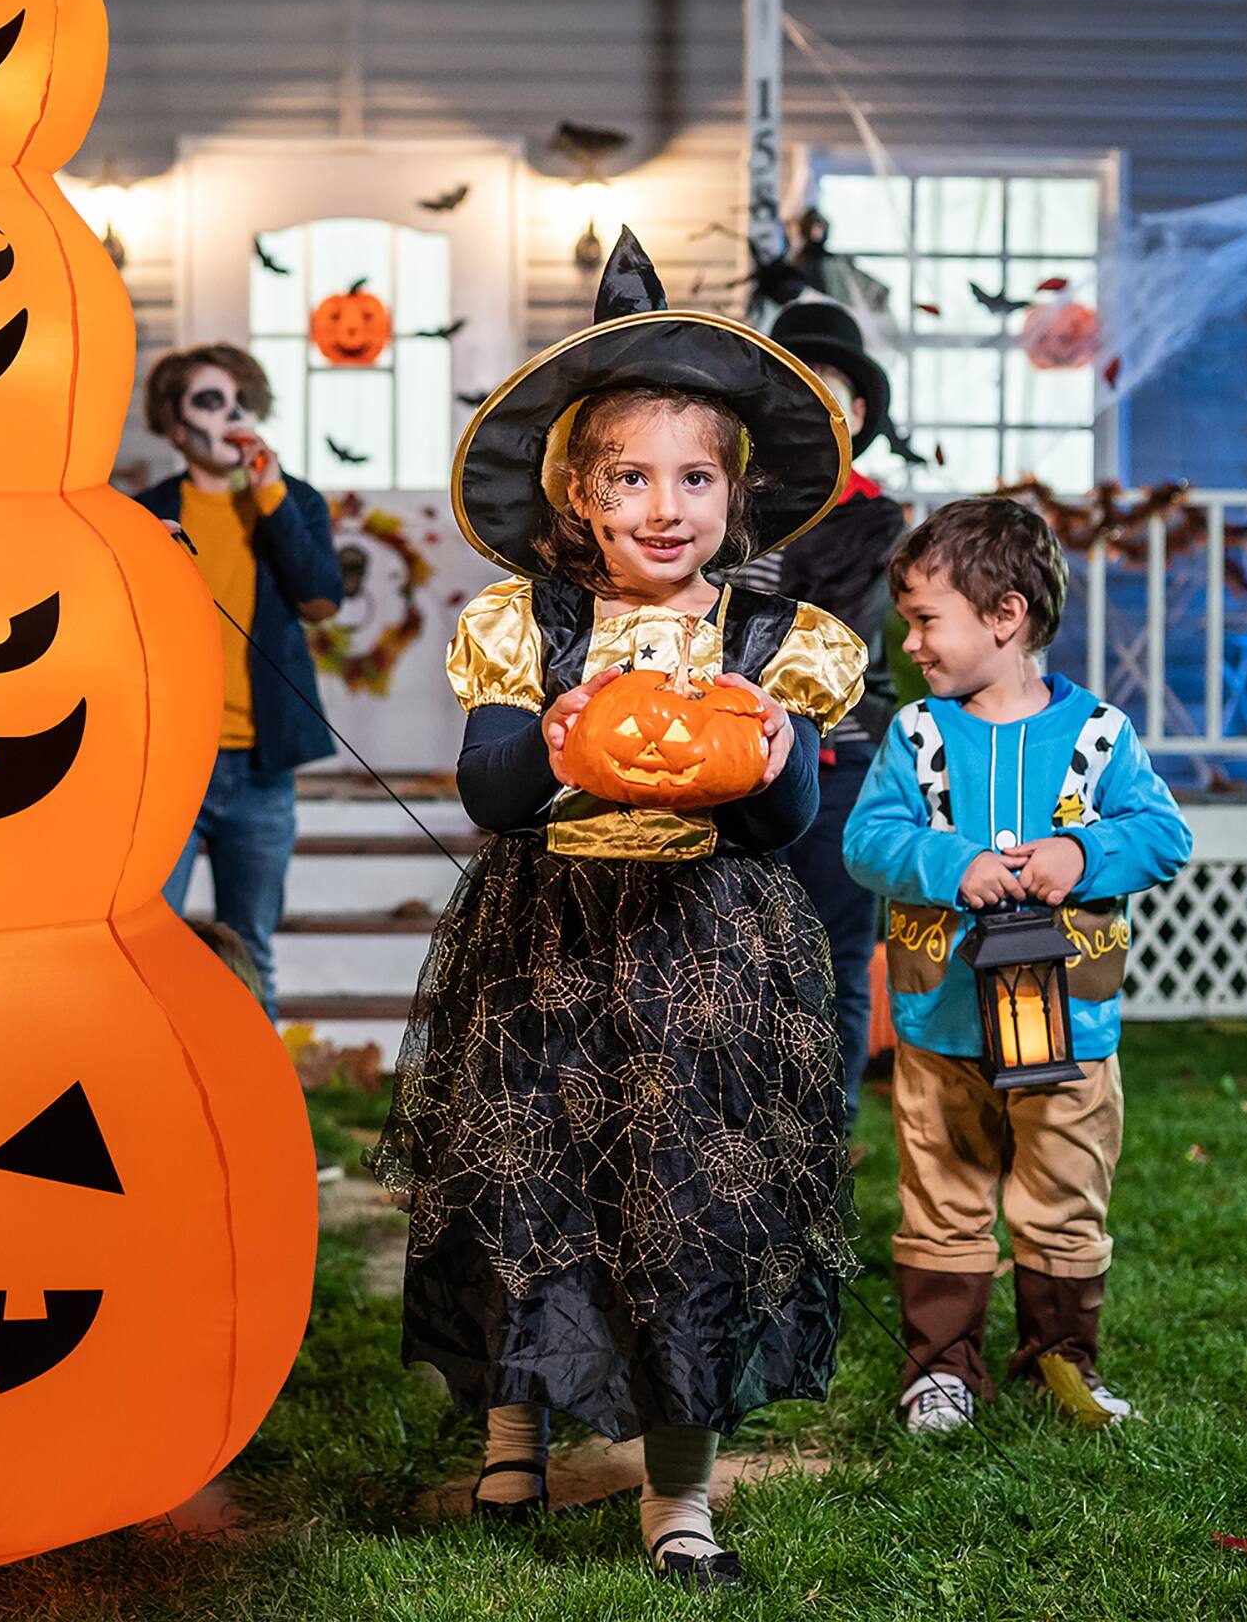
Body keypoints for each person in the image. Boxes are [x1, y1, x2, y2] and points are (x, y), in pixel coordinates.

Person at [373, 229, 868, 1593]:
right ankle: (513, 1437)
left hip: (707, 956)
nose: (664, 505)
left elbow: (780, 829)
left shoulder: (774, 643)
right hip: (545, 947)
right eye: (630, 478)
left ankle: (678, 1492)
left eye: (693, 477)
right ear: (579, 496)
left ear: (734, 492)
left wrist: (778, 759)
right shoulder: (526, 626)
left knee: (687, 1213)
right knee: (527, 1188)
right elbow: (487, 790)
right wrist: (550, 742)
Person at [842, 497, 1191, 1436]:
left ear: (1005, 616)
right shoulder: (917, 735)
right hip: (941, 1027)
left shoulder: (1101, 736)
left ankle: (1061, 1361)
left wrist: (1083, 853)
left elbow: (1164, 835)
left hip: (1071, 1031)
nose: (912, 641)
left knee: (1065, 1193)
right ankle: (942, 1370)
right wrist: (948, 864)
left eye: (927, 619)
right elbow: (867, 841)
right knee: (942, 1194)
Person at [130, 344, 343, 1010]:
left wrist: (271, 496)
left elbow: (320, 600)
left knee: (250, 945)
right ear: (175, 426)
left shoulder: (292, 500)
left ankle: (254, 1076)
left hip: (260, 768)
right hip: (169, 766)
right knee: (144, 942)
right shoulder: (144, 512)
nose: (232, 415)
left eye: (241, 402)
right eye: (210, 401)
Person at [760, 298, 907, 1131]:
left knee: (835, 953)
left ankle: (824, 1133)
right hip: (731, 756)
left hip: (836, 759)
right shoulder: (722, 502)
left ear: (854, 415)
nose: (815, 405)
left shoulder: (872, 517)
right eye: (796, 386)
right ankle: (745, 1134)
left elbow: (826, 641)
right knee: (745, 950)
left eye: (831, 391)